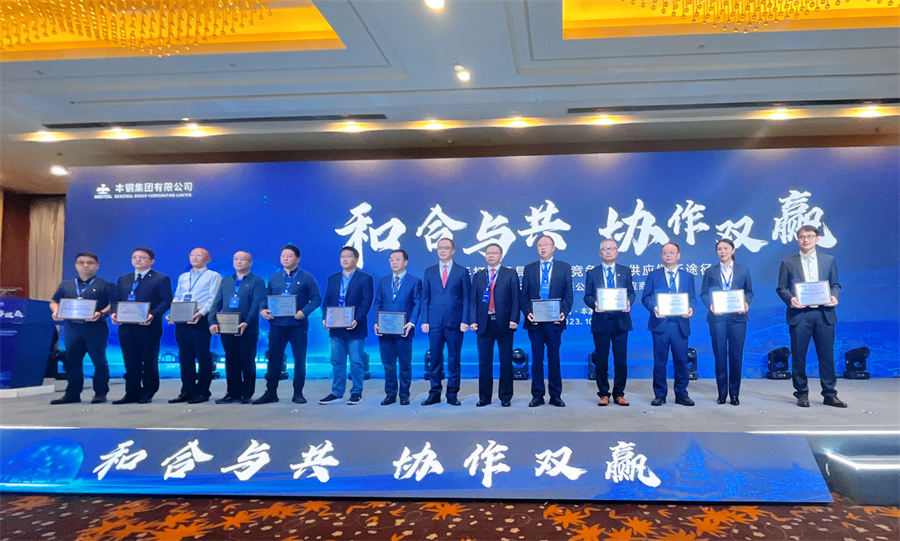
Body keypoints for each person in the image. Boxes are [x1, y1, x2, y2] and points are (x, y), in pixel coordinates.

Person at [776, 225, 845, 408]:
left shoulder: (829, 260)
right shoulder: (788, 262)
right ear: (797, 239)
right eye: (802, 237)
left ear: (817, 238)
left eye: (809, 236)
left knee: (827, 356)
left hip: (824, 314)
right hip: (800, 315)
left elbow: (835, 285)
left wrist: (834, 296)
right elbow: (781, 288)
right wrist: (791, 299)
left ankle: (829, 394)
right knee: (799, 357)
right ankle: (802, 394)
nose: (805, 240)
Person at [257, 245, 322, 405]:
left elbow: (316, 299)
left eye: (289, 256)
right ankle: (271, 392)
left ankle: (298, 392)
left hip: (297, 325)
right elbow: (265, 298)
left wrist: (304, 312)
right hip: (277, 325)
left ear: (297, 259)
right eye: (283, 256)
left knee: (299, 359)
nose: (285, 258)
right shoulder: (274, 278)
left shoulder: (307, 277)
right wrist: (262, 310)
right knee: (274, 358)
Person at [48, 252, 116, 404]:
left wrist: (100, 313)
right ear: (76, 265)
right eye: (81, 262)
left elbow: (114, 304)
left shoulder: (106, 285)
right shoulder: (66, 285)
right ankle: (72, 394)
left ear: (97, 266)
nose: (85, 265)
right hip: (72, 328)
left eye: (90, 263)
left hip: (95, 328)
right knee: (72, 361)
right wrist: (56, 311)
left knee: (99, 360)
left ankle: (100, 393)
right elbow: (54, 301)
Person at [111, 247, 173, 404]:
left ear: (151, 261)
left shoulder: (160, 279)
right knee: (130, 359)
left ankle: (148, 391)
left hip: (148, 326)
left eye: (142, 257)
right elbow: (116, 299)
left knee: (148, 359)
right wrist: (115, 312)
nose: (138, 260)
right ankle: (131, 392)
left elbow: (166, 301)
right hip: (126, 326)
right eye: (135, 257)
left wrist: (153, 314)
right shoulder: (123, 279)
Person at [641, 242, 697, 407]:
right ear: (661, 256)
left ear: (678, 255)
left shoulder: (687, 276)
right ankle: (660, 395)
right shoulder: (653, 275)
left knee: (681, 360)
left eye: (672, 252)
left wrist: (691, 309)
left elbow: (692, 298)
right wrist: (654, 308)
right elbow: (646, 297)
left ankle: (681, 394)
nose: (668, 255)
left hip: (680, 325)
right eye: (665, 253)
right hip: (660, 324)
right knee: (660, 362)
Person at [520, 235, 572, 407]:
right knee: (537, 359)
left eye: (546, 244)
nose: (543, 248)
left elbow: (568, 295)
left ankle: (556, 395)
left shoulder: (564, 268)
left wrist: (563, 312)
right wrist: (528, 313)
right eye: (540, 245)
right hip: (535, 321)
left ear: (553, 247)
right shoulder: (529, 268)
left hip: (554, 321)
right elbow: (524, 295)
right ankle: (537, 395)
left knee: (554, 358)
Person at [700, 238, 754, 406]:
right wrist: (711, 305)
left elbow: (749, 292)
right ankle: (722, 393)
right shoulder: (710, 271)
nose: (722, 251)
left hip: (738, 319)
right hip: (717, 319)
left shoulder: (743, 269)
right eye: (719, 249)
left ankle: (735, 394)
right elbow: (704, 293)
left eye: (726, 248)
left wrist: (746, 303)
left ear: (733, 250)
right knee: (720, 355)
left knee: (736, 356)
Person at [583, 239, 636, 407]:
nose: (608, 251)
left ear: (617, 252)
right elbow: (587, 296)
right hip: (601, 321)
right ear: (600, 253)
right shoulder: (592, 273)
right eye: (605, 249)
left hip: (621, 321)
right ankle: (604, 394)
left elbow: (632, 293)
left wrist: (629, 301)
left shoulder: (625, 271)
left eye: (611, 248)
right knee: (601, 359)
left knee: (621, 360)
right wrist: (594, 303)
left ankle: (619, 394)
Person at [319, 246, 374, 405]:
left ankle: (356, 392)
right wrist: (325, 318)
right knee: (337, 361)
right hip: (336, 327)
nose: (345, 259)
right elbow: (327, 300)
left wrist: (357, 319)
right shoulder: (333, 278)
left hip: (355, 326)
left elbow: (366, 303)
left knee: (356, 362)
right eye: (342, 256)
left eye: (348, 256)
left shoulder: (365, 278)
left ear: (356, 259)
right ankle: (337, 393)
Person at [210, 251, 266, 405]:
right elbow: (216, 303)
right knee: (231, 361)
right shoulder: (226, 281)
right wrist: (212, 321)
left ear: (250, 263)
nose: (239, 262)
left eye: (243, 259)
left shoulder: (257, 281)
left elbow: (256, 305)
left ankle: (246, 394)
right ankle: (232, 393)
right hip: (227, 328)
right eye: (236, 259)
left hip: (247, 329)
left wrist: (247, 322)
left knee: (247, 361)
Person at [167, 248, 222, 404]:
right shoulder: (184, 277)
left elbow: (213, 298)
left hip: (200, 319)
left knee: (202, 355)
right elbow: (178, 296)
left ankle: (203, 391)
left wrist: (201, 313)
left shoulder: (213, 276)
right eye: (192, 255)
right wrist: (173, 313)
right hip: (182, 319)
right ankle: (187, 390)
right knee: (185, 356)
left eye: (199, 255)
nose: (195, 258)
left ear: (208, 259)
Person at [420, 237, 471, 406]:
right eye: (440, 248)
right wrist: (425, 320)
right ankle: (434, 393)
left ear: (453, 251)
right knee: (435, 359)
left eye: (446, 248)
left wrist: (465, 320)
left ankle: (452, 394)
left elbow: (466, 298)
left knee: (454, 359)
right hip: (434, 322)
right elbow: (425, 297)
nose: (442, 250)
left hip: (455, 322)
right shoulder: (429, 271)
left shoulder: (462, 271)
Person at [469, 243, 520, 407]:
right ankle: (484, 397)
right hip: (484, 324)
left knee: (506, 361)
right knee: (484, 361)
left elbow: (516, 299)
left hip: (504, 323)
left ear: (501, 256)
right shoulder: (478, 276)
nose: (491, 255)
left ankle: (505, 397)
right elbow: (473, 300)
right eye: (488, 253)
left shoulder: (510, 274)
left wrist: (515, 319)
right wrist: (472, 320)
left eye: (494, 253)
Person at [373, 249, 422, 406]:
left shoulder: (414, 281)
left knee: (405, 364)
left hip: (404, 330)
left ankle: (404, 394)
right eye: (391, 259)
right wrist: (376, 322)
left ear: (405, 262)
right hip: (385, 329)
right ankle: (390, 394)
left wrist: (412, 323)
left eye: (397, 259)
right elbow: (378, 302)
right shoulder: (383, 281)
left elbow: (417, 304)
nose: (394, 262)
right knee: (388, 364)